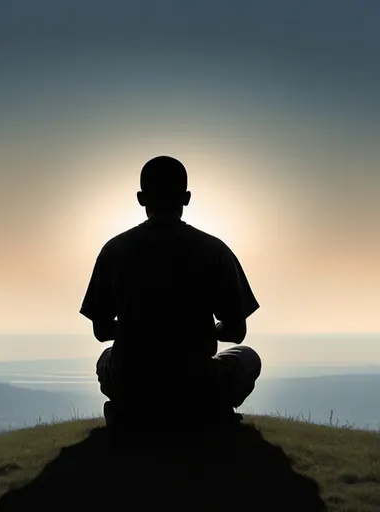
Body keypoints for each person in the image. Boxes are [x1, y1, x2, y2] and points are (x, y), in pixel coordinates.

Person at [80, 156, 262, 428]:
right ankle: (206, 412)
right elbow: (237, 332)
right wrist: (194, 332)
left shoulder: (113, 251)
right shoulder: (215, 251)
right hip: (195, 380)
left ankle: (132, 413)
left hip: (133, 380)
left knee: (105, 359)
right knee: (248, 357)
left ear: (141, 198)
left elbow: (102, 331)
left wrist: (143, 331)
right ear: (186, 198)